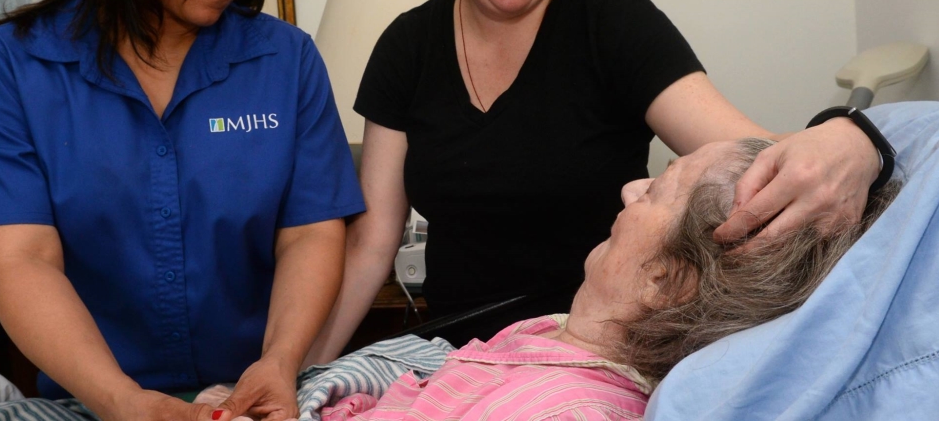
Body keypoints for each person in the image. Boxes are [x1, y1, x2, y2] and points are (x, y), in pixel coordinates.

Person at [304, 0, 885, 364]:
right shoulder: (406, 47)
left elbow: (756, 162)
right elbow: (370, 245)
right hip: (458, 362)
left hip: (590, 357)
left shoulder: (614, 26)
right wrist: (294, 372)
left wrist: (854, 141)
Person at [0, 0, 364, 420]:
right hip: (92, 402)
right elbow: (21, 260)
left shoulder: (285, 61)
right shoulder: (11, 69)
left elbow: (310, 234)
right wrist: (122, 402)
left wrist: (281, 362)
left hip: (256, 396)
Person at [237, 139, 894, 419]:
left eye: (658, 190)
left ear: (665, 281)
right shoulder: (556, 336)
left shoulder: (569, 411)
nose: (630, 186)